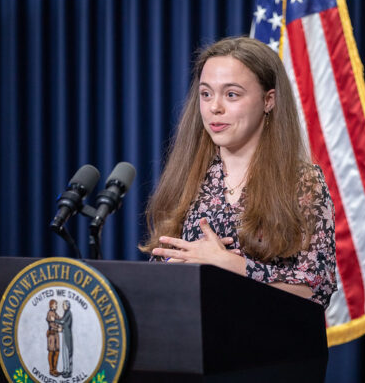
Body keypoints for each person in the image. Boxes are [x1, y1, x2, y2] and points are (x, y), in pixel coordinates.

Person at [140, 36, 336, 308]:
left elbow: (316, 288)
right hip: (189, 342)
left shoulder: (302, 182)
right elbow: (159, 269)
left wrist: (231, 264)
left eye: (231, 94)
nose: (214, 107)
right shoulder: (187, 178)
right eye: (206, 94)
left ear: (269, 100)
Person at [55, 300, 73, 378]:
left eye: (64, 305)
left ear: (67, 306)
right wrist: (61, 329)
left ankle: (68, 372)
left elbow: (63, 321)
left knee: (67, 353)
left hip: (67, 335)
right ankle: (65, 370)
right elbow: (65, 323)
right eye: (63, 305)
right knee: (64, 353)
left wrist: (54, 320)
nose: (63, 306)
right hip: (64, 334)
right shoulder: (66, 312)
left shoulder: (68, 313)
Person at [46, 299, 60, 377]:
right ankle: (51, 370)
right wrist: (58, 328)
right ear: (51, 305)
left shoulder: (55, 313)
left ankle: (55, 369)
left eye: (56, 305)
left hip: (56, 335)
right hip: (51, 335)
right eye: (55, 304)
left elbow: (59, 320)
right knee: (51, 352)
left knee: (57, 352)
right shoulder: (50, 313)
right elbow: (52, 324)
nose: (56, 306)